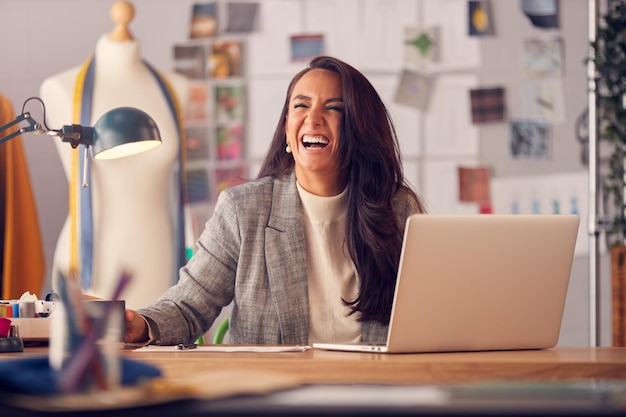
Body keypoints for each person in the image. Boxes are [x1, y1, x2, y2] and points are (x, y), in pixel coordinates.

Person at [125, 56, 426, 346]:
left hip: (374, 386)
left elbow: (428, 311)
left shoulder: (398, 208)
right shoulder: (243, 210)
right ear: (286, 126)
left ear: (359, 129)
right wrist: (139, 324)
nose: (313, 118)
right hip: (279, 388)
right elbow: (188, 304)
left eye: (334, 108)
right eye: (301, 106)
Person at [40, 1, 189, 309]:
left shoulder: (177, 88)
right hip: (92, 259)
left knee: (159, 346)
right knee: (87, 355)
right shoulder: (59, 88)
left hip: (157, 254)